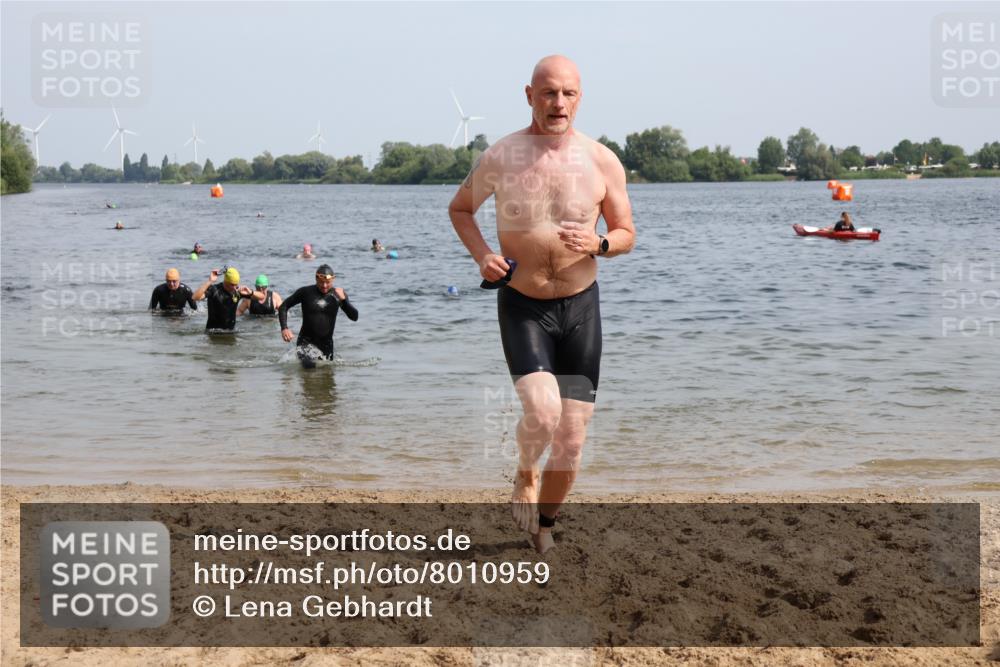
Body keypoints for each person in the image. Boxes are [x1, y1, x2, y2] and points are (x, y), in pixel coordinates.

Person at [448, 55, 635, 554]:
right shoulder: (502, 156)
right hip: (524, 306)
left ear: (580, 98)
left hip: (581, 309)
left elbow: (626, 233)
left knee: (572, 440)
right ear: (529, 95)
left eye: (568, 93)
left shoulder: (602, 160)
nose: (558, 103)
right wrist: (483, 255)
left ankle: (545, 525)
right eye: (549, 92)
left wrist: (599, 244)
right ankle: (526, 471)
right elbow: (460, 209)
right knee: (545, 411)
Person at [278, 264, 358, 366]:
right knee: (309, 366)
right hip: (305, 342)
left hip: (327, 345)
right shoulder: (305, 292)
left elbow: (354, 317)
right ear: (316, 278)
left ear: (333, 279)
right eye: (321, 282)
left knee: (327, 373)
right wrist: (284, 328)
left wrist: (344, 300)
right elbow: (283, 306)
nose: (324, 285)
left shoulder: (338, 295)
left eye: (328, 282)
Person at [191, 267, 262, 331]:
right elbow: (195, 297)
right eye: (232, 284)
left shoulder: (238, 291)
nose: (234, 287)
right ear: (225, 281)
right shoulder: (214, 290)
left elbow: (261, 297)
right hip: (213, 332)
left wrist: (251, 292)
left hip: (230, 332)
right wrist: (210, 281)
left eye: (236, 284)